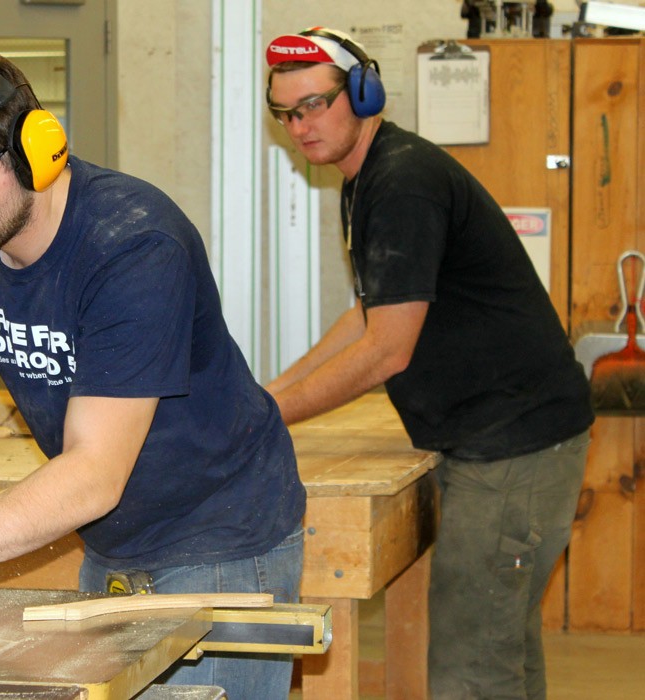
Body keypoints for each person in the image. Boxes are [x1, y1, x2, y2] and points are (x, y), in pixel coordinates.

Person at [0, 45, 306, 697]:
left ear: (34, 150)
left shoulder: (134, 246)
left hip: (220, 538)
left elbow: (95, 472)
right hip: (112, 543)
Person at [263, 27, 594, 700]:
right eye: (285, 113)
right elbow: (368, 313)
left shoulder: (402, 182)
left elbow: (387, 348)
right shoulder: (366, 178)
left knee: (472, 667)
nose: (301, 126)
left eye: (315, 105)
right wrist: (269, 392)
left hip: (514, 446)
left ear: (363, 93)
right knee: (502, 648)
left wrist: (264, 419)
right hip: (505, 437)